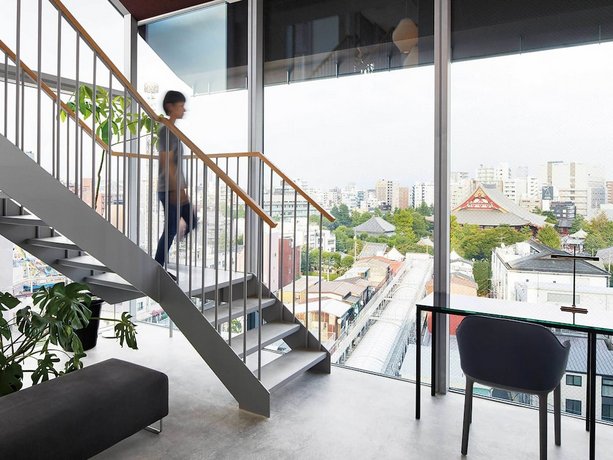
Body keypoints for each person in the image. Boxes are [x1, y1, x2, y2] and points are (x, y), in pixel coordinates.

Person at [154, 90, 197, 277]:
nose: (184, 109)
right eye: (180, 106)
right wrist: (175, 190)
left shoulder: (171, 130)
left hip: (176, 188)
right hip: (169, 189)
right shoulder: (166, 132)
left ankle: (159, 264)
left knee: (191, 221)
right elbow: (166, 162)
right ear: (170, 107)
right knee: (171, 229)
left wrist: (182, 189)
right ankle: (157, 267)